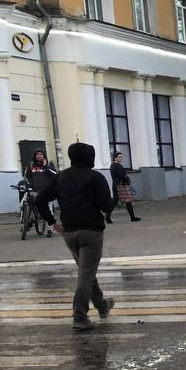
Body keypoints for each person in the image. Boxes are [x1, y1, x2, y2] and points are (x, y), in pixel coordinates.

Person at [33, 142, 115, 332]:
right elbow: (107, 207)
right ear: (89, 157)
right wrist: (115, 197)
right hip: (91, 232)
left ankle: (102, 305)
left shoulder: (61, 177)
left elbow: (40, 199)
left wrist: (52, 222)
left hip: (69, 232)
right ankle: (80, 316)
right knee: (86, 273)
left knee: (86, 270)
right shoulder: (95, 177)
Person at [106, 151, 140, 224]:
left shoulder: (112, 166)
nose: (121, 158)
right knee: (127, 201)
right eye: (119, 157)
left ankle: (108, 216)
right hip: (121, 186)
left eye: (121, 157)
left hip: (116, 185)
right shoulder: (118, 166)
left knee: (115, 201)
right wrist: (126, 178)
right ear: (115, 158)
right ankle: (132, 217)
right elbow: (121, 175)